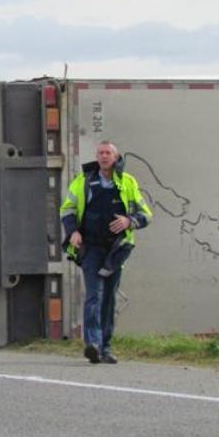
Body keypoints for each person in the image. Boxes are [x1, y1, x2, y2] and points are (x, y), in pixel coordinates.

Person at [60, 141, 152, 364]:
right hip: (90, 248)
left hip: (116, 251)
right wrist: (73, 232)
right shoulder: (83, 182)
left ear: (116, 156)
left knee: (109, 298)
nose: (103, 157)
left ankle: (106, 347)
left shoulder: (128, 183)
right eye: (100, 153)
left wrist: (129, 221)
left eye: (108, 153)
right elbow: (68, 209)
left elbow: (146, 215)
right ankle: (93, 344)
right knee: (94, 294)